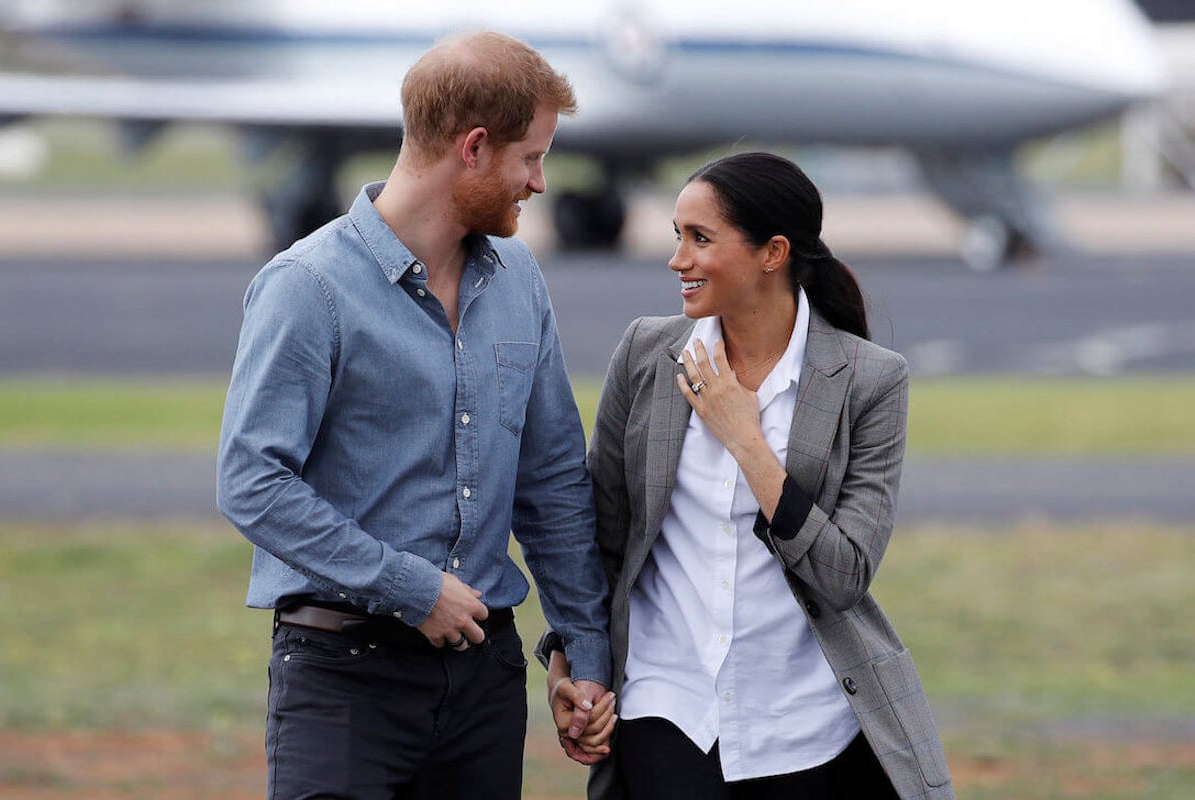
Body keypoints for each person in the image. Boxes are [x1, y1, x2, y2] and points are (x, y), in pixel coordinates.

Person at [216, 31, 611, 800]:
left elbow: (554, 482)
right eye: (529, 158)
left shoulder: (521, 279)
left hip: (486, 683)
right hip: (344, 683)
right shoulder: (308, 287)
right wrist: (410, 587)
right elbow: (251, 480)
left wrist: (585, 655)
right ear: (472, 148)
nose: (538, 182)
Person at [543, 152, 954, 799]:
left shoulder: (870, 380)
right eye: (678, 235)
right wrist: (572, 662)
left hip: (806, 729)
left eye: (700, 238)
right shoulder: (647, 354)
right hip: (666, 711)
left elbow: (844, 576)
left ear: (773, 253)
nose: (678, 259)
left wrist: (745, 440)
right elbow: (603, 540)